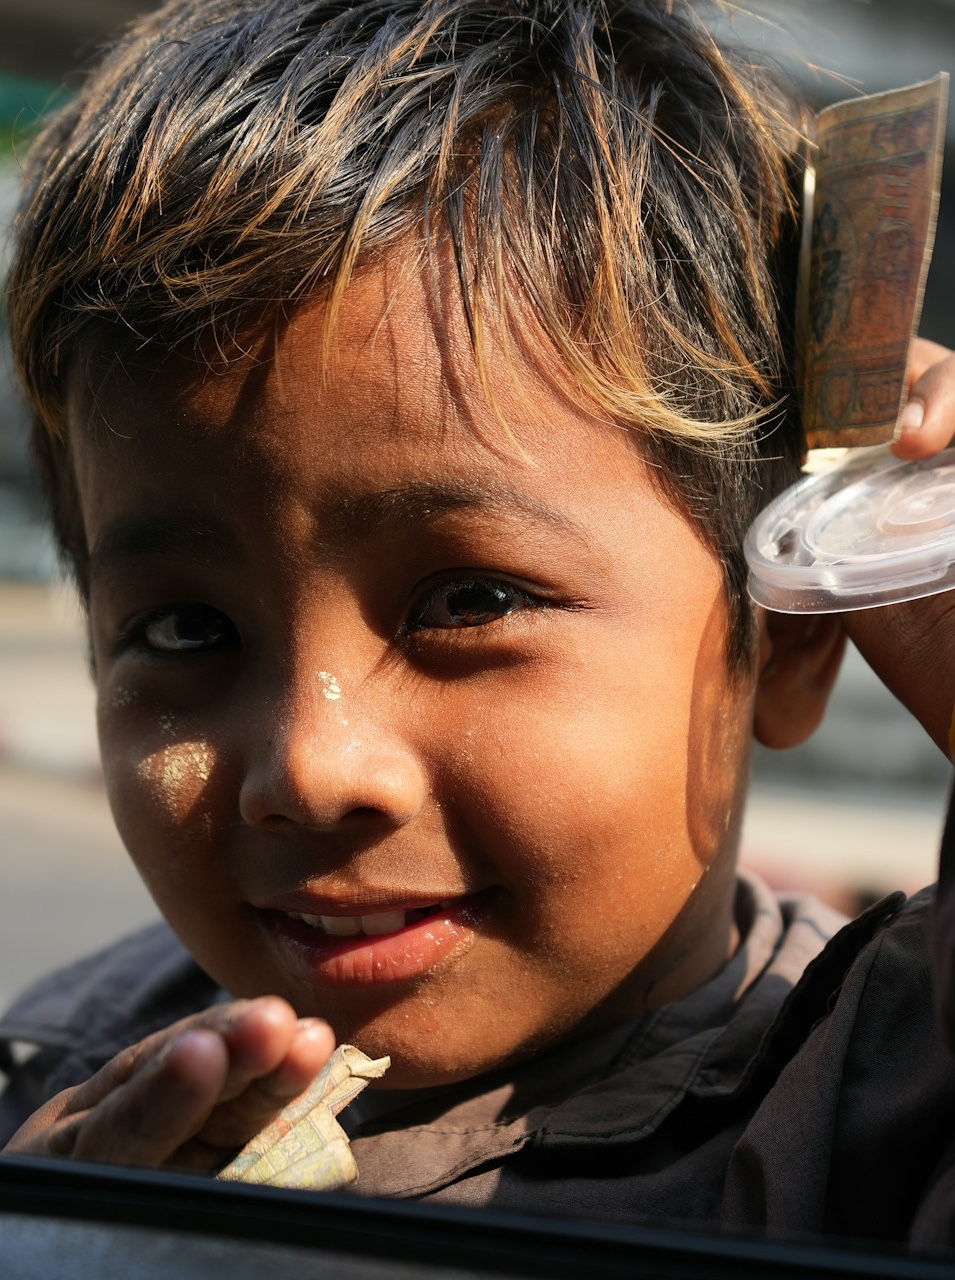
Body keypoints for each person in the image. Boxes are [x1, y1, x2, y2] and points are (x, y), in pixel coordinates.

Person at [1, 0, 954, 1253]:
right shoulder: (57, 1075)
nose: (310, 768)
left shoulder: (881, 1099)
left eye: (470, 601)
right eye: (185, 628)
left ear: (780, 641)